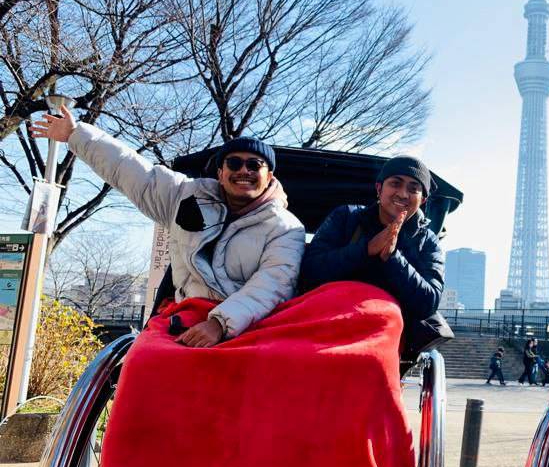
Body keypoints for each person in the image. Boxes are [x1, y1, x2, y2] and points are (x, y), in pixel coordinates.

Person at [30, 106, 305, 344]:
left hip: (249, 325)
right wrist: (76, 135)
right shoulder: (184, 196)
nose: (244, 171)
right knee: (140, 362)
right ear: (221, 173)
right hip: (184, 314)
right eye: (234, 163)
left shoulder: (285, 228)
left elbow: (272, 284)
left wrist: (220, 324)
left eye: (255, 165)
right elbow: (131, 170)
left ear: (269, 176)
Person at [299, 155, 444, 323]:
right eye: (395, 183)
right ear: (379, 188)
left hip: (385, 327)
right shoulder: (346, 217)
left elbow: (429, 303)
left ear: (423, 200)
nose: (403, 194)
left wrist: (393, 257)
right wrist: (366, 249)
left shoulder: (428, 241)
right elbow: (309, 272)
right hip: (327, 314)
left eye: (413, 189)